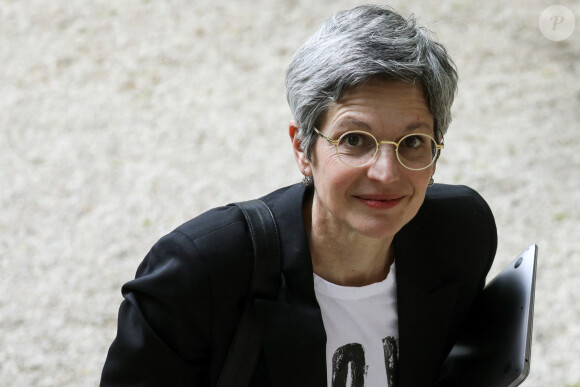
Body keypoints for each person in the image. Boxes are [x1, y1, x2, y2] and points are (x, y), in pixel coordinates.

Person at [100, 5, 496, 387]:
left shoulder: (460, 236)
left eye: (413, 142)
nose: (386, 172)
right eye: (355, 139)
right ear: (302, 148)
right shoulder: (199, 272)